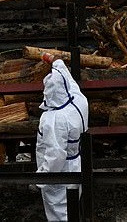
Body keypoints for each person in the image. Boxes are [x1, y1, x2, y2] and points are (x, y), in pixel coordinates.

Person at [35, 55, 89, 221]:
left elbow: (55, 156)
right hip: (76, 163)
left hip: (61, 172)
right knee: (72, 207)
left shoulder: (54, 120)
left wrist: (41, 178)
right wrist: (55, 61)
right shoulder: (79, 100)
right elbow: (69, 79)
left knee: (59, 213)